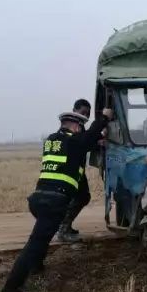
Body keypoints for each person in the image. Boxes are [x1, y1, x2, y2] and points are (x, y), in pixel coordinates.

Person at [0, 105, 112, 292]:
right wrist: (104, 118)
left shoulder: (52, 140)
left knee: (44, 235)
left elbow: (86, 141)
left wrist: (97, 140)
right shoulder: (75, 142)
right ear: (76, 127)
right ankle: (10, 289)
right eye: (80, 127)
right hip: (55, 200)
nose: (81, 130)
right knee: (34, 243)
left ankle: (36, 265)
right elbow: (90, 135)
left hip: (39, 198)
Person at [56, 98, 96, 243]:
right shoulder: (72, 128)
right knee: (81, 197)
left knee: (80, 197)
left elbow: (85, 144)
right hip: (70, 171)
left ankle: (66, 226)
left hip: (77, 170)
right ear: (74, 111)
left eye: (88, 114)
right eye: (83, 112)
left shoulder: (79, 127)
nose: (85, 116)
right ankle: (63, 229)